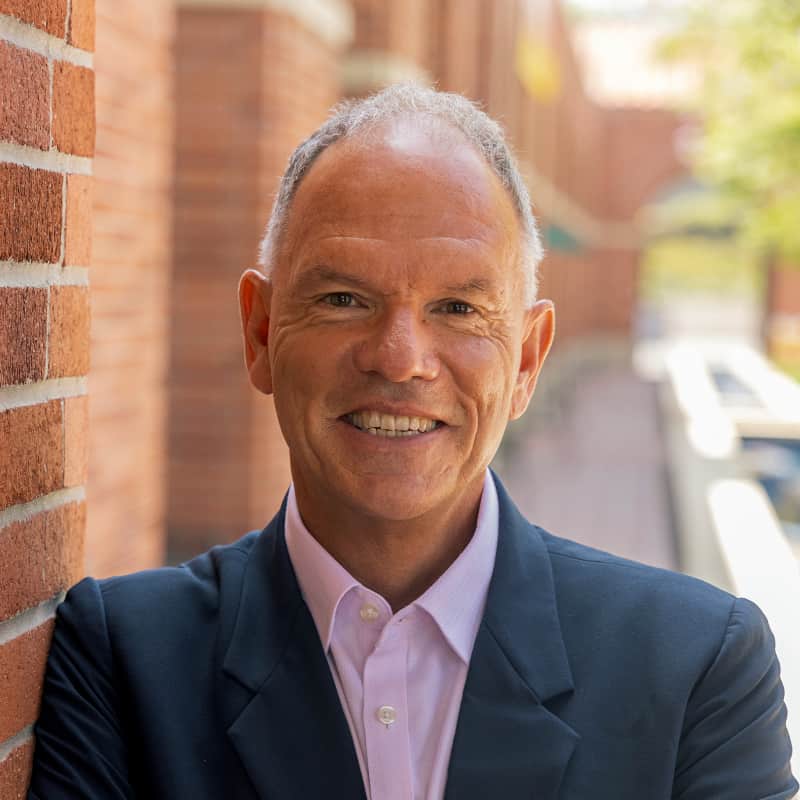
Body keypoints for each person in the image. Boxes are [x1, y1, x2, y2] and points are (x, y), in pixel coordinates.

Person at [28, 84, 796, 800]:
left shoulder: (699, 667)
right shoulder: (119, 660)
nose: (399, 357)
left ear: (527, 359)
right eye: (341, 299)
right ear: (260, 334)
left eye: (459, 308)